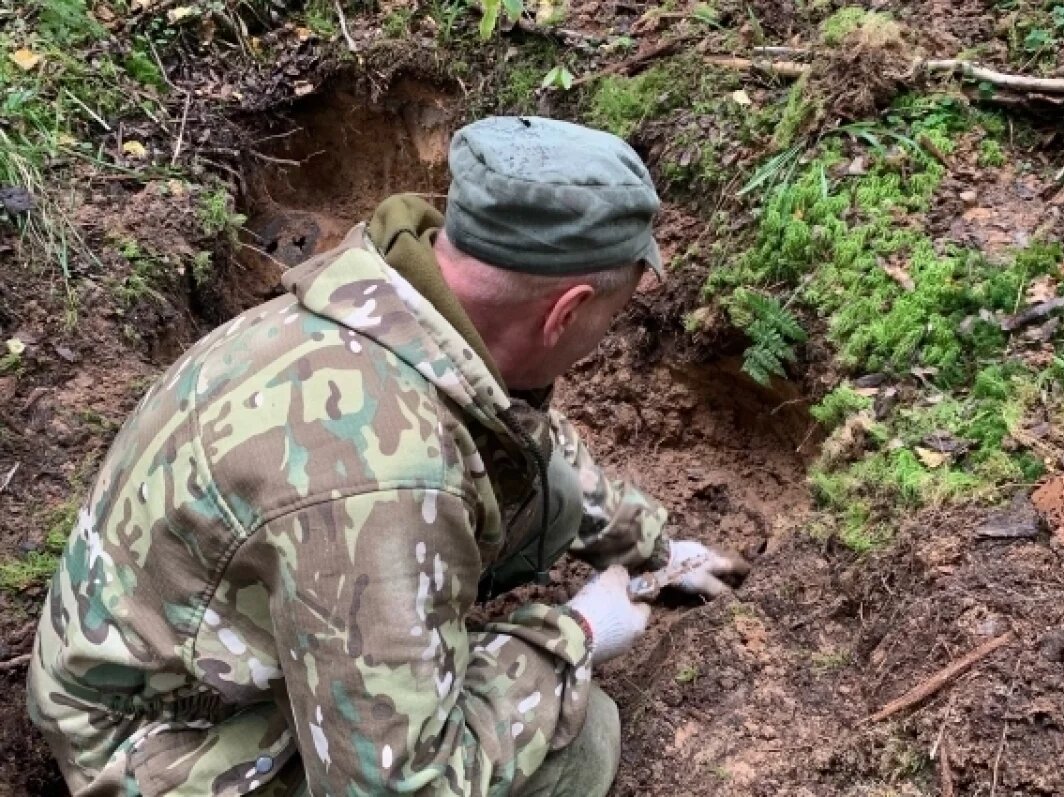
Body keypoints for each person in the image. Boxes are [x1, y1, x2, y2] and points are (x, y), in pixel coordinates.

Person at [27, 116, 749, 796]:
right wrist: (574, 636)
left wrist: (654, 545)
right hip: (160, 748)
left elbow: (519, 433)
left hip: (175, 640)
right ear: (565, 312)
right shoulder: (388, 482)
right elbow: (400, 786)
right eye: (609, 317)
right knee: (581, 740)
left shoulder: (385, 298)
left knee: (543, 491)